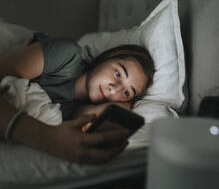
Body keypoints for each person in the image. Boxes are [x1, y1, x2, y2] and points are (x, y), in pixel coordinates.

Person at [0, 34, 154, 163]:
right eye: (118, 74)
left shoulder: (78, 112)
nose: (114, 88)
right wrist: (47, 138)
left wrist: (123, 107)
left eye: (126, 92)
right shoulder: (67, 55)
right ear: (107, 58)